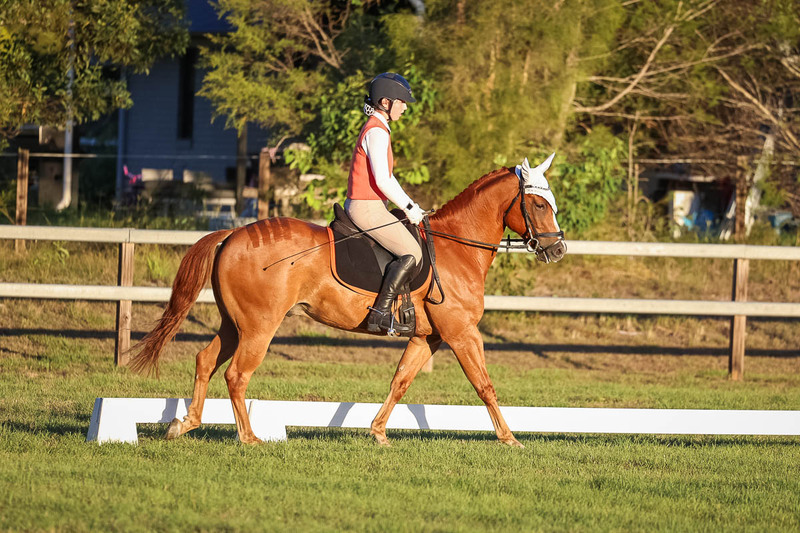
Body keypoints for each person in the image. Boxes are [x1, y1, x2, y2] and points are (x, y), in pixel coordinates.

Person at [345, 72, 426, 336]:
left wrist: (409, 205)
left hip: (372, 205)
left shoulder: (378, 128)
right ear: (385, 102)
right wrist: (410, 208)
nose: (404, 107)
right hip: (366, 207)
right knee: (413, 253)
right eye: (401, 102)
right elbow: (383, 179)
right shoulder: (376, 131)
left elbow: (386, 179)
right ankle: (379, 314)